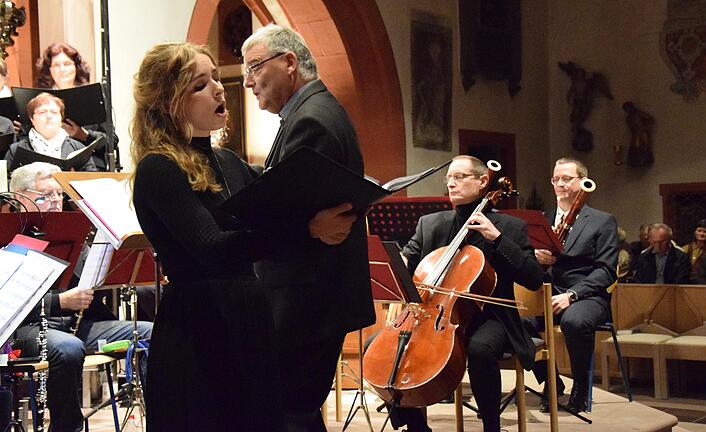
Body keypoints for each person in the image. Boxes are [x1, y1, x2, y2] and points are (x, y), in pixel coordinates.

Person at [131, 41, 355, 431]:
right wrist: (308, 228)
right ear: (169, 102)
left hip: (249, 317)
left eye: (216, 77)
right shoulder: (159, 169)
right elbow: (212, 247)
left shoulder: (230, 162)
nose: (219, 88)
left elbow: (277, 213)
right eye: (200, 85)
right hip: (199, 327)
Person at [241, 24, 376, 431]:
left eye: (254, 67)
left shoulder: (312, 119)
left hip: (306, 297)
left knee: (290, 411)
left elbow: (292, 210)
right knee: (294, 410)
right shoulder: (308, 112)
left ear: (289, 63)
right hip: (312, 296)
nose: (247, 81)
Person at [384, 155, 543, 432]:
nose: (451, 183)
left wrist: (498, 239)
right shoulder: (431, 224)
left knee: (480, 349)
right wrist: (396, 262)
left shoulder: (508, 227)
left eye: (459, 177)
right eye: (448, 178)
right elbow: (407, 261)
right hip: (434, 314)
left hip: (490, 315)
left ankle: (491, 427)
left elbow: (534, 279)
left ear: (483, 181)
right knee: (383, 349)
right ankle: (416, 427)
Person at [9, 162, 153, 432]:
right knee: (68, 348)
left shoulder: (72, 232)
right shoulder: (8, 236)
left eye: (57, 195)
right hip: (29, 329)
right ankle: (67, 427)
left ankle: (161, 419)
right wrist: (59, 302)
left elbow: (96, 277)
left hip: (82, 326)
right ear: (19, 196)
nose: (53, 203)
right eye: (44, 196)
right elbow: (8, 302)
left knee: (153, 333)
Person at [529, 157, 618, 413]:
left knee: (574, 322)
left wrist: (572, 295)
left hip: (587, 295)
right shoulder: (541, 219)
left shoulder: (602, 220)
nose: (560, 184)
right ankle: (551, 382)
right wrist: (535, 256)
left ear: (582, 181)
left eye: (567, 179)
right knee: (512, 320)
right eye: (556, 179)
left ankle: (580, 387)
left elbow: (606, 270)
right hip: (547, 291)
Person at [34, 42, 115, 171]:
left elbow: (112, 141)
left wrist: (84, 135)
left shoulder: (92, 97)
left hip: (89, 165)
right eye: (56, 65)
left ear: (76, 67)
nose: (62, 70)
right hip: (47, 166)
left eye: (66, 64)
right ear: (49, 70)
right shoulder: (38, 100)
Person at [3, 92, 97, 172]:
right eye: (42, 112)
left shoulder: (78, 148)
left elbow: (91, 181)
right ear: (32, 119)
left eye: (54, 112)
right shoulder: (16, 149)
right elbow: (5, 183)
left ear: (61, 119)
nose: (49, 116)